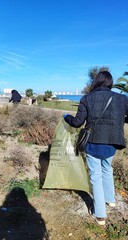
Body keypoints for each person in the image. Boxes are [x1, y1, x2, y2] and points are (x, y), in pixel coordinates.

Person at [64, 71, 128, 226]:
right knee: (107, 168)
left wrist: (66, 117)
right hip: (113, 142)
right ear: (110, 83)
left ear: (96, 82)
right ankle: (110, 200)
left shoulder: (87, 98)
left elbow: (78, 122)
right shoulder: (122, 99)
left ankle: (100, 215)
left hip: (93, 142)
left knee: (96, 177)